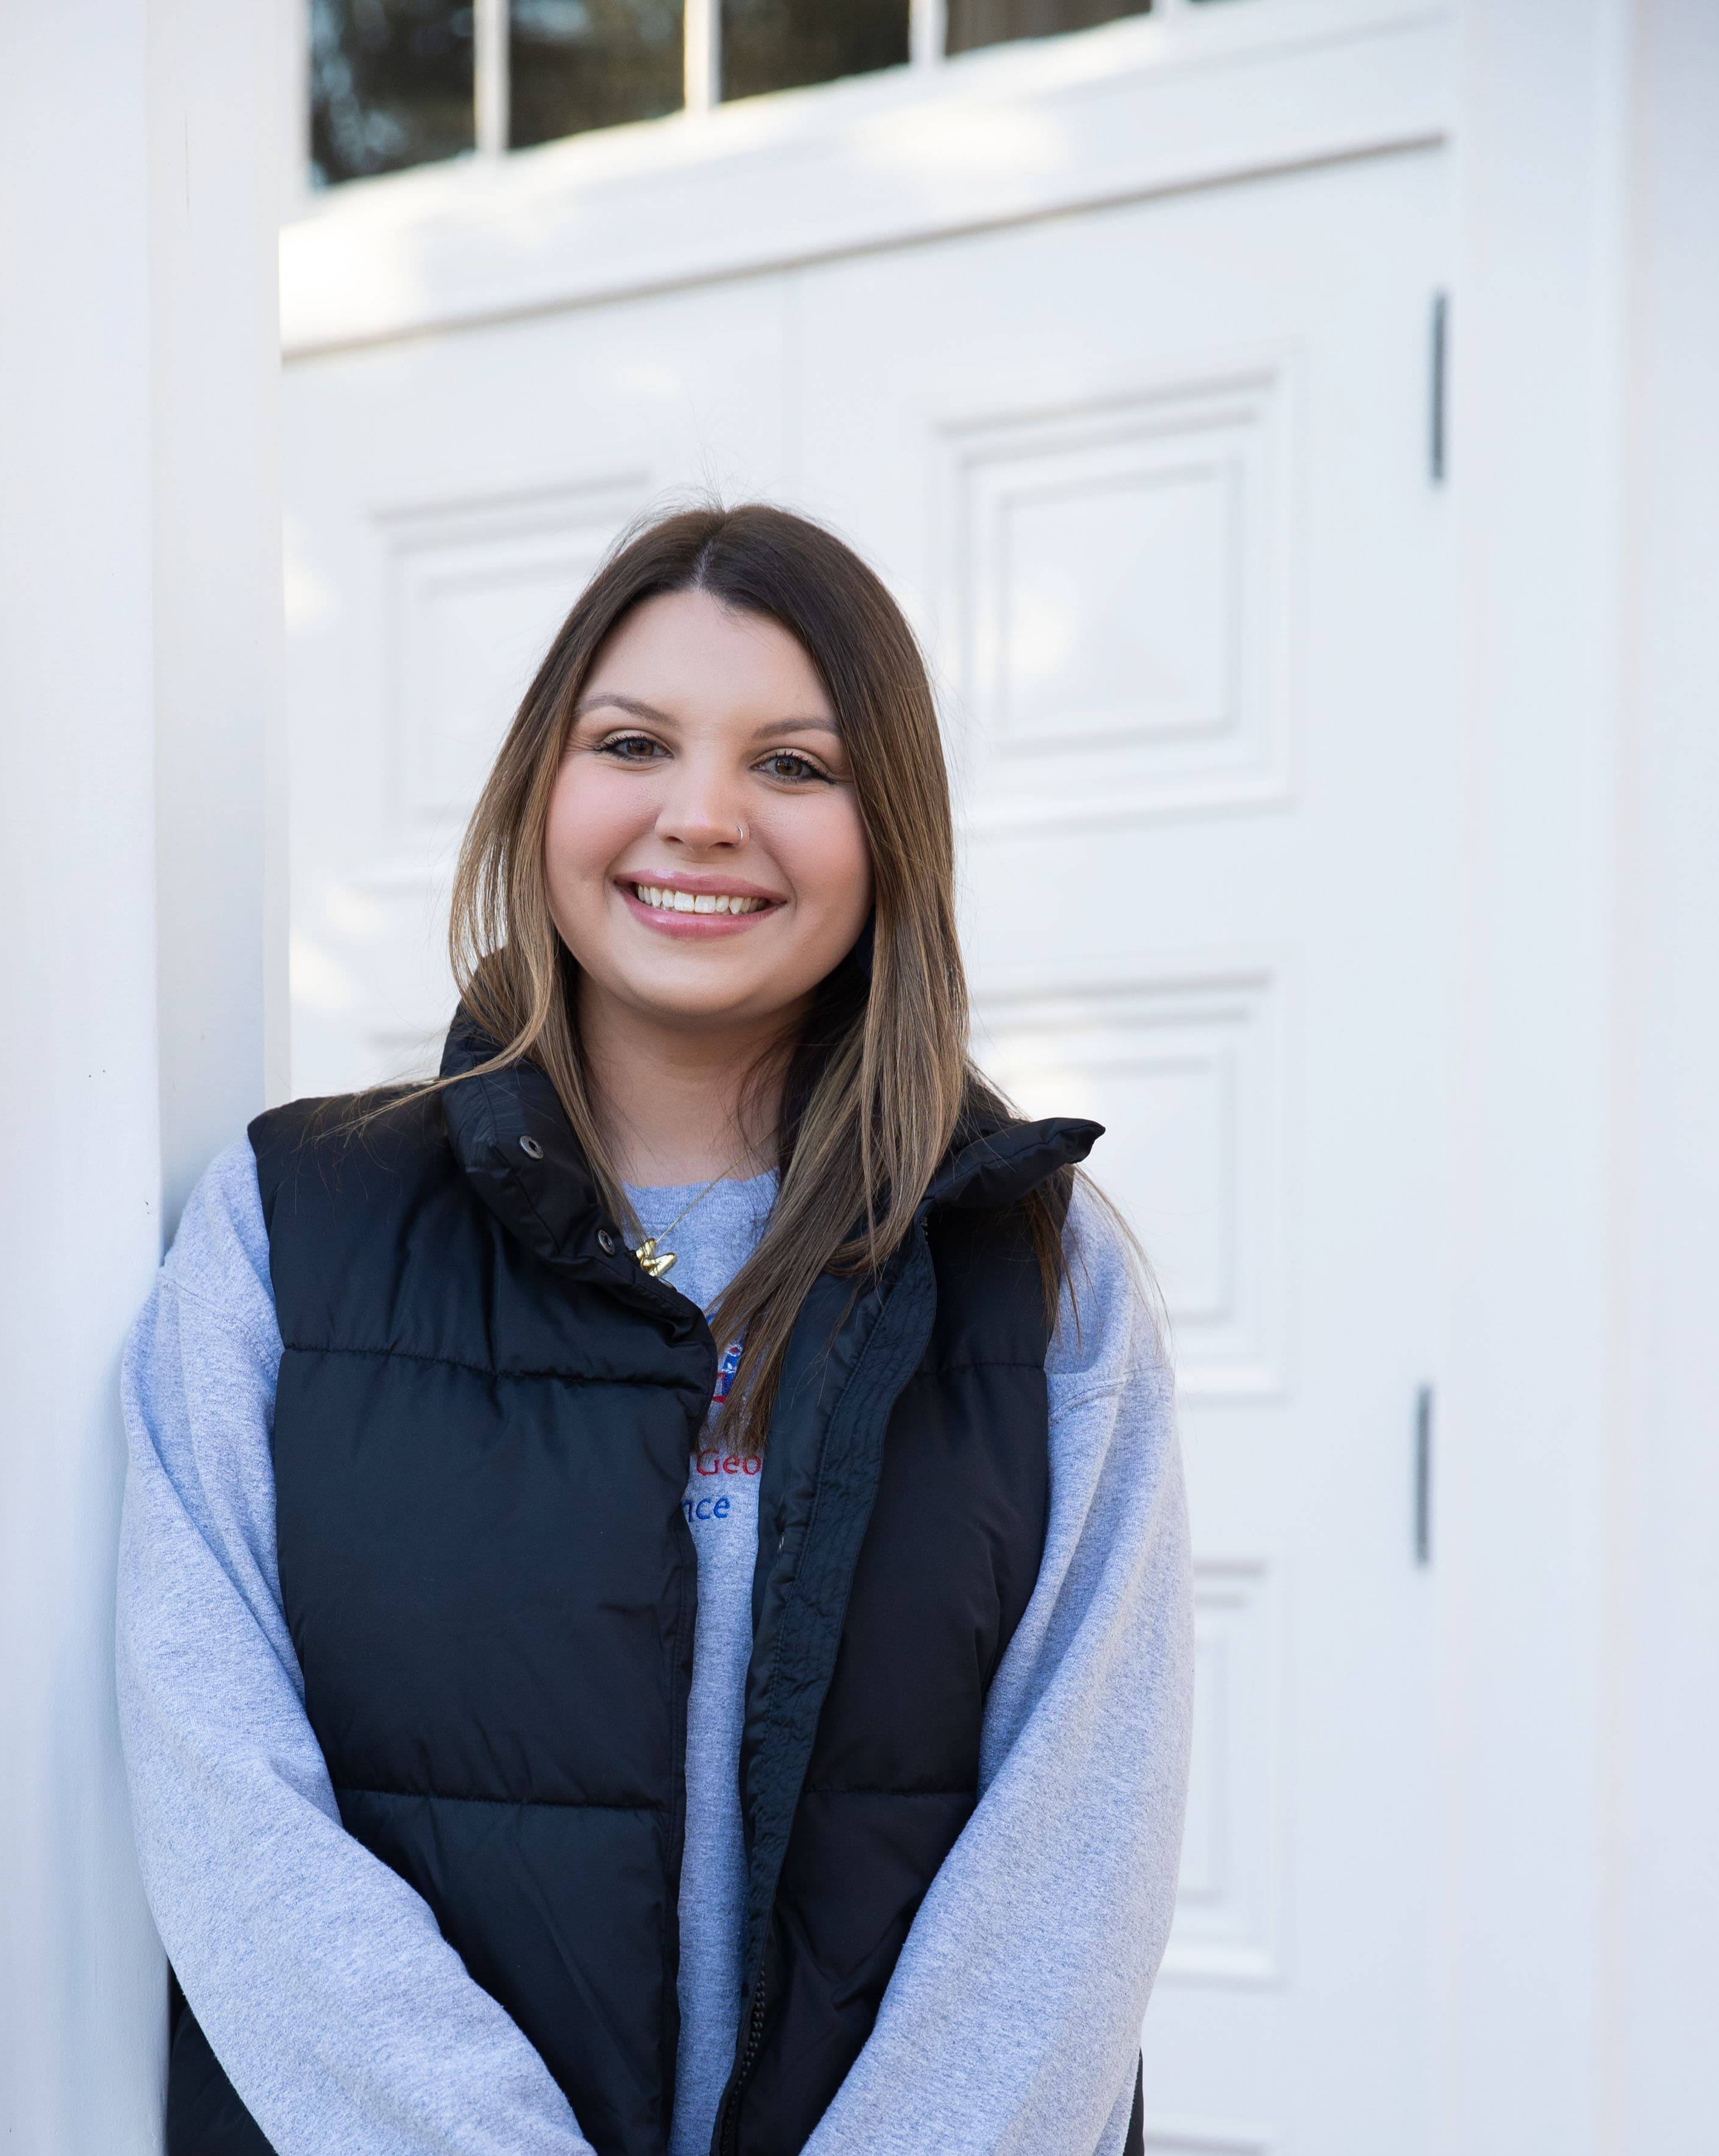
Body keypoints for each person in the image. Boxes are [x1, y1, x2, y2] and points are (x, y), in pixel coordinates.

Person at [117, 503, 1193, 2156]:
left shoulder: (1040, 1272)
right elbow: (220, 1789)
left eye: (793, 765)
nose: (699, 817)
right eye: (632, 743)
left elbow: (1078, 1849)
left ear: (887, 828)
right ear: (538, 789)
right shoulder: (289, 1232)